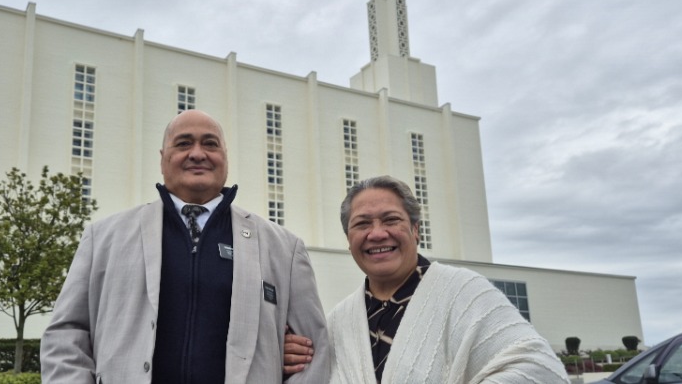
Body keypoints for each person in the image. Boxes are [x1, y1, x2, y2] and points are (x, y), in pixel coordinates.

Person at [41, 109, 331, 383]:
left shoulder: (285, 249)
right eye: (183, 144)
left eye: (210, 144)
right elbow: (67, 335)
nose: (197, 153)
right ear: (163, 158)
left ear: (225, 158)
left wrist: (271, 347)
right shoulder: (103, 238)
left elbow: (314, 352)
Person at [287, 175, 569, 383]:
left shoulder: (466, 292)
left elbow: (540, 369)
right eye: (362, 224)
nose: (376, 234)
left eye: (390, 219)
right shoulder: (338, 321)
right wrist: (290, 358)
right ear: (349, 240)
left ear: (415, 229)